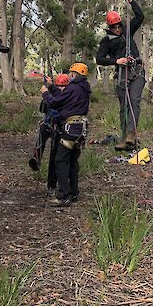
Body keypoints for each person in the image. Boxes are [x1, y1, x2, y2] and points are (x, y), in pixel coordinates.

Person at [96, 0, 144, 151]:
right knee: (124, 106)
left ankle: (131, 134)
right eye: (114, 27)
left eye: (119, 26)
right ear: (109, 27)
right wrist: (116, 61)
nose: (118, 29)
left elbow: (140, 17)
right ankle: (125, 138)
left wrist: (132, 1)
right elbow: (99, 59)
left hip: (136, 71)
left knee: (134, 101)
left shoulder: (128, 31)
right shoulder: (106, 41)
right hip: (121, 74)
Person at [41, 63, 91, 206]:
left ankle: (64, 196)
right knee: (72, 161)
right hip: (80, 129)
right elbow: (66, 101)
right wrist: (53, 87)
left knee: (61, 160)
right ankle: (74, 193)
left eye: (70, 74)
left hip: (70, 129)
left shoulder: (73, 88)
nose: (69, 76)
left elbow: (56, 103)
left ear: (75, 75)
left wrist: (45, 92)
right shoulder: (83, 88)